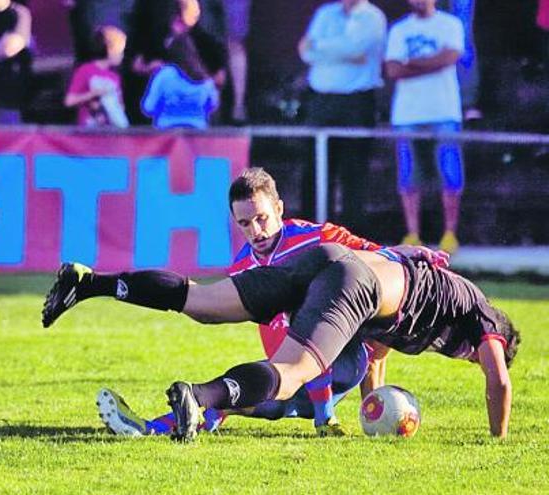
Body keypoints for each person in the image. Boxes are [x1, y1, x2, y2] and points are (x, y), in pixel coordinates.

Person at [42, 242, 517, 441]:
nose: (475, 360)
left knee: (203, 302)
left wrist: (371, 404)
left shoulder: (436, 299)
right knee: (290, 377)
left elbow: (379, 347)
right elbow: (499, 381)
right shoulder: (483, 319)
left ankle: (89, 282)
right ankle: (199, 397)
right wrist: (497, 439)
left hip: (330, 260)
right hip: (354, 282)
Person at [96, 168, 390, 437]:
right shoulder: (242, 269)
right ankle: (146, 429)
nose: (255, 231)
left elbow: (386, 263)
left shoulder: (321, 239)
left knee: (352, 317)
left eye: (261, 218)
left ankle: (332, 418)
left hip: (343, 360)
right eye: (245, 224)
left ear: (279, 208)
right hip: (286, 376)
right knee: (229, 397)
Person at [297, 0, 386, 234]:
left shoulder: (373, 17)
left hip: (356, 102)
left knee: (353, 172)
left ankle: (352, 237)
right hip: (320, 102)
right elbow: (305, 51)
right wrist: (341, 50)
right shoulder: (325, 13)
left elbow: (356, 51)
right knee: (314, 169)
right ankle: (309, 233)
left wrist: (322, 48)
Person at [385, 0, 465, 254]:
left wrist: (412, 63)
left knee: (449, 172)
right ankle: (413, 233)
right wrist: (434, 61)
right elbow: (393, 69)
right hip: (407, 113)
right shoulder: (399, 30)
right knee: (408, 175)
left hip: (444, 110)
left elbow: (451, 56)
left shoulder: (450, 24)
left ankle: (450, 234)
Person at [64, 25, 128, 128]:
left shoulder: (114, 76)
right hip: (90, 132)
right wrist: (93, 94)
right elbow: (69, 101)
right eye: (120, 52)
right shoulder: (85, 70)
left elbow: (120, 105)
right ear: (109, 49)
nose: (122, 56)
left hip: (112, 131)